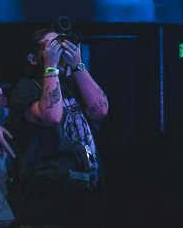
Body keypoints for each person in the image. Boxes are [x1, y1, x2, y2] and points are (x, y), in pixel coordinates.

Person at [8, 30, 109, 227]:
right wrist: (51, 66)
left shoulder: (73, 84)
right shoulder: (26, 88)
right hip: (49, 199)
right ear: (33, 58)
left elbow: (100, 110)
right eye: (51, 45)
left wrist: (77, 65)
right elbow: (51, 116)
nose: (58, 49)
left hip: (88, 192)